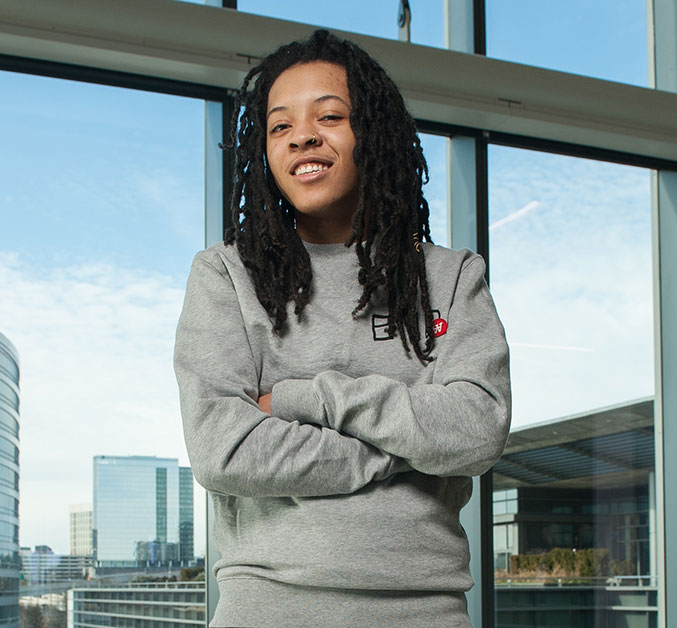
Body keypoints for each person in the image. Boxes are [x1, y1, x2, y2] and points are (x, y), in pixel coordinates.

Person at [174, 29, 511, 627]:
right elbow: (224, 451)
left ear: (373, 135)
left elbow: (477, 430)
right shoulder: (224, 275)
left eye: (330, 115)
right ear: (264, 154)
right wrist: (407, 452)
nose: (303, 134)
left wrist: (304, 399)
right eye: (280, 126)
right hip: (265, 612)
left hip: (425, 613)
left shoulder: (452, 276)